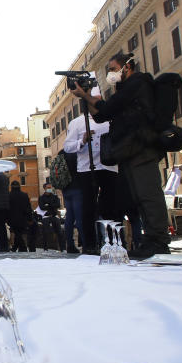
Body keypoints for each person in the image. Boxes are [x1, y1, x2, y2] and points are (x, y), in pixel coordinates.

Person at [70, 52, 171, 258]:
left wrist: (86, 96)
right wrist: (86, 96)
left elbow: (108, 108)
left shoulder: (137, 83)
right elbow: (101, 116)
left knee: (148, 195)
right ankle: (151, 240)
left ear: (127, 66)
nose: (111, 73)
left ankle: (159, 241)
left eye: (113, 69)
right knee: (139, 197)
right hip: (131, 151)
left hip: (142, 148)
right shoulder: (126, 89)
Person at [63, 84, 119, 254]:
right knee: (87, 208)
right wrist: (82, 141)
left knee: (112, 207)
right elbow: (67, 147)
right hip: (87, 170)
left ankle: (114, 243)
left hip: (110, 167)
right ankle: (89, 245)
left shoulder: (112, 119)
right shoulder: (77, 123)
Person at [8, 180, 33, 252]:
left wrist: (7, 218)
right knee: (19, 233)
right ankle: (19, 248)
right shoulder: (24, 195)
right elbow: (28, 208)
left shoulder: (9, 195)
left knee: (17, 233)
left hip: (12, 218)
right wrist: (30, 218)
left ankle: (19, 248)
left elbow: (7, 208)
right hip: (23, 218)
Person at [37, 183, 63, 251]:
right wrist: (52, 205)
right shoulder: (41, 197)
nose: (50, 189)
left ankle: (62, 248)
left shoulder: (55, 196)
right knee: (45, 232)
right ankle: (45, 248)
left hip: (54, 216)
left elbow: (58, 205)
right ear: (44, 188)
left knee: (59, 232)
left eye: (50, 187)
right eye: (48, 187)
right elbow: (42, 207)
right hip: (46, 216)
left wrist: (48, 205)